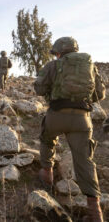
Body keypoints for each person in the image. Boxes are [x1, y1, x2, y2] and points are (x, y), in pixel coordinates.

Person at [34, 37, 105, 222]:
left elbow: (39, 89)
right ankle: (94, 210)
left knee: (47, 139)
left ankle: (47, 175)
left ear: (59, 52)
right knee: (85, 161)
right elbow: (100, 93)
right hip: (82, 120)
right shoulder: (90, 65)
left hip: (56, 115)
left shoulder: (52, 65)